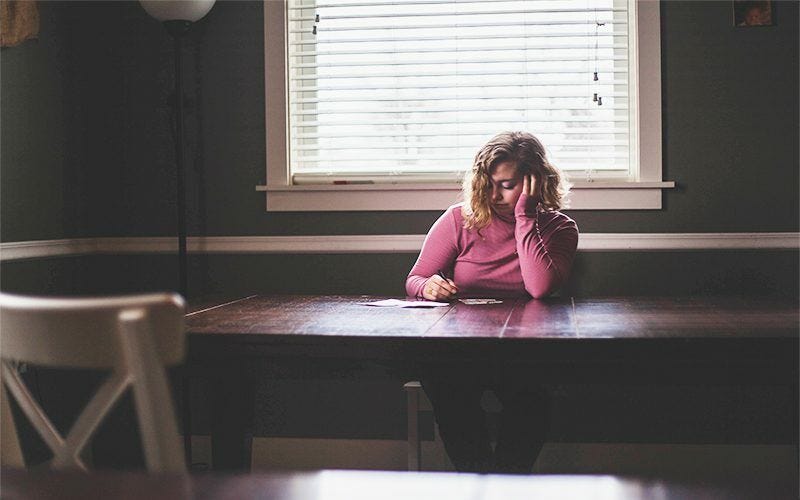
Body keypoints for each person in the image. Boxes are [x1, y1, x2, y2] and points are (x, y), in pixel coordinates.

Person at [405, 131, 579, 473]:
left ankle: (508, 481)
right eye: (489, 184)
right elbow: (414, 279)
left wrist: (525, 218)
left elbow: (540, 288)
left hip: (524, 348)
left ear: (536, 182)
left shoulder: (560, 228)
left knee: (533, 393)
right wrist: (430, 288)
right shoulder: (460, 219)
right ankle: (480, 479)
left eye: (507, 184)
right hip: (463, 347)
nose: (495, 195)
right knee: (446, 384)